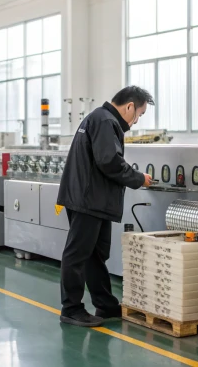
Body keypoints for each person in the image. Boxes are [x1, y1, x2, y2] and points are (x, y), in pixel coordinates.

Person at [56, 86, 154, 327]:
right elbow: (108, 161)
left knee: (95, 255)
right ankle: (71, 308)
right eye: (139, 114)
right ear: (129, 106)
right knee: (78, 254)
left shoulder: (100, 118)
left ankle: (106, 305)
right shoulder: (105, 120)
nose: (136, 120)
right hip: (88, 200)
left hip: (92, 199)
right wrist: (137, 178)